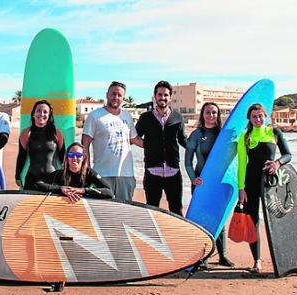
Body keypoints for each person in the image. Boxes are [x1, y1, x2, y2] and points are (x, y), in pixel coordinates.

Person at [238, 103, 292, 273]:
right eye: (254, 116)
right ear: (250, 118)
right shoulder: (245, 136)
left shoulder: (274, 133)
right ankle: (257, 262)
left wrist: (278, 163)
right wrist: (241, 188)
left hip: (271, 184)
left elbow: (288, 155)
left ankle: (284, 259)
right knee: (253, 221)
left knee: (277, 220)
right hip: (251, 183)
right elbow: (242, 165)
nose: (258, 119)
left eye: (260, 116)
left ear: (266, 116)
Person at [185, 102, 234, 267]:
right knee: (201, 220)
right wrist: (193, 178)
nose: (211, 115)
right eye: (208, 112)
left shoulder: (223, 135)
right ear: (202, 114)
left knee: (219, 218)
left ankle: (223, 256)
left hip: (219, 184)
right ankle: (203, 257)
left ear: (218, 115)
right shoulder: (197, 135)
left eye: (214, 112)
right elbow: (187, 161)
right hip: (201, 184)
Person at [134, 80, 187, 215]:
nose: (162, 98)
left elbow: (183, 139)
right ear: (155, 96)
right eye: (160, 94)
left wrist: (200, 148)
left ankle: (175, 236)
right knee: (152, 211)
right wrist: (147, 146)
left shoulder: (178, 117)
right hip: (152, 172)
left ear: (170, 97)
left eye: (165, 95)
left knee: (176, 211)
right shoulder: (145, 117)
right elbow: (134, 137)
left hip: (173, 172)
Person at [82, 81, 137, 202]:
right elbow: (85, 144)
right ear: (107, 94)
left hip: (126, 174)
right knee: (103, 212)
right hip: (102, 174)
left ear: (123, 98)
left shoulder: (127, 116)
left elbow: (134, 139)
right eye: (113, 94)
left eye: (119, 95)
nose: (116, 97)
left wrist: (159, 144)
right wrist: (87, 170)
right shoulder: (95, 116)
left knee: (125, 211)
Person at [35, 142, 114, 203]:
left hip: (82, 209)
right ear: (67, 157)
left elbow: (109, 192)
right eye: (71, 154)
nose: (74, 158)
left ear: (83, 158)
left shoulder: (89, 173)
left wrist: (83, 190)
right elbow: (38, 184)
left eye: (78, 155)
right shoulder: (60, 174)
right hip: (62, 207)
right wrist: (60, 189)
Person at [15, 99, 65, 190]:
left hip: (52, 178)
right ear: (33, 114)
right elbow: (22, 156)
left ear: (49, 115)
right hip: (32, 179)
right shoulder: (26, 133)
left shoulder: (57, 133)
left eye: (45, 112)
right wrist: (18, 176)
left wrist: (67, 176)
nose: (41, 114)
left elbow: (63, 157)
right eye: (38, 111)